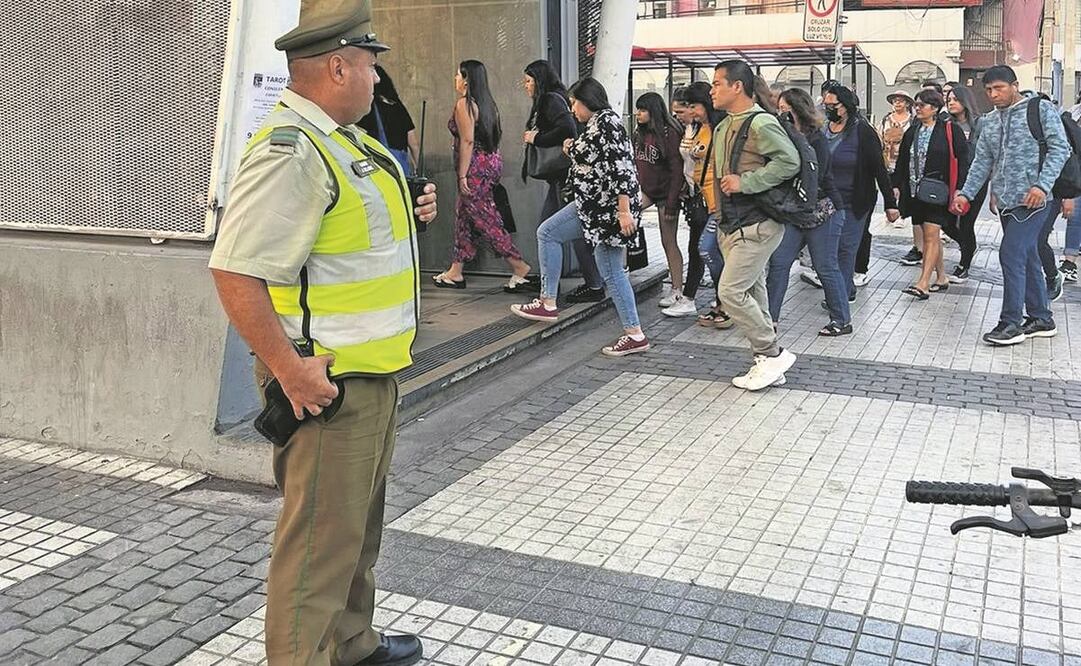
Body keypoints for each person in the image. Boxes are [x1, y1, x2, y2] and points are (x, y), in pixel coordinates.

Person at [208, 3, 437, 664]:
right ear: (338, 67)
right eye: (369, 65)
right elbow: (234, 270)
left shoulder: (347, 141)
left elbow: (349, 238)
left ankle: (351, 644)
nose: (376, 78)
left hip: (371, 376)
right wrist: (289, 370)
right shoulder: (292, 149)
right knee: (316, 552)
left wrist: (413, 206)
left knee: (354, 534)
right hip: (326, 387)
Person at [511, 77, 650, 356]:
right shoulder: (602, 123)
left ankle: (547, 301)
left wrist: (623, 211)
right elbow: (599, 158)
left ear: (588, 101)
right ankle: (635, 334)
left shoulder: (606, 123)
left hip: (602, 208)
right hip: (599, 208)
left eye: (575, 103)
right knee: (611, 270)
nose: (572, 109)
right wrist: (572, 147)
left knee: (547, 233)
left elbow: (622, 168)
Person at [952, 65, 1069, 345]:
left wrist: (1042, 186)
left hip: (1035, 200)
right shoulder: (989, 122)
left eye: (999, 88)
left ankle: (1011, 323)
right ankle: (1041, 317)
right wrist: (966, 194)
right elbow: (982, 162)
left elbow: (1060, 149)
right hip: (1007, 202)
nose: (993, 94)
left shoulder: (1039, 109)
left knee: (1011, 254)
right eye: (988, 90)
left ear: (1014, 85)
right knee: (1027, 256)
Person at [710, 60, 800, 390]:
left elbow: (789, 162)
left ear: (737, 87)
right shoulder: (724, 125)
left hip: (757, 224)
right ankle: (767, 363)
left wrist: (746, 182)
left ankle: (772, 354)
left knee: (730, 292)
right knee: (751, 291)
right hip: (732, 225)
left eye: (717, 83)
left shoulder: (761, 122)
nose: (712, 90)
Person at [434, 60, 531, 290]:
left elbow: (467, 141)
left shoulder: (464, 104)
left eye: (458, 75)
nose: (455, 79)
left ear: (467, 80)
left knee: (485, 218)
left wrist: (462, 175)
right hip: (489, 164)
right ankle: (455, 271)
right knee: (464, 217)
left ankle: (519, 266)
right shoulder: (488, 104)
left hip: (474, 168)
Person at [766, 88, 851, 336]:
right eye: (779, 110)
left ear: (798, 110)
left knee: (825, 266)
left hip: (823, 210)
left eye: (785, 110)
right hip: (795, 213)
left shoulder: (816, 139)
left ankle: (841, 320)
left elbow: (816, 175)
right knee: (779, 262)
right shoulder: (781, 138)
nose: (781, 115)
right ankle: (769, 320)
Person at [521, 59, 602, 300]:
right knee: (547, 229)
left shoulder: (550, 100)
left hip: (564, 177)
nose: (526, 86)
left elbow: (567, 128)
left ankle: (592, 285)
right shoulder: (552, 99)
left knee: (567, 231)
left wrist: (537, 138)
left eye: (529, 81)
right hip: (560, 178)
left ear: (539, 81)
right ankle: (551, 286)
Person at [822, 86, 900, 299]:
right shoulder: (823, 129)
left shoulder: (862, 131)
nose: (828, 109)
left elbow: (878, 168)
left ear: (846, 106)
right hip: (827, 201)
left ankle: (841, 295)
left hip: (854, 200)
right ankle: (843, 289)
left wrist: (890, 203)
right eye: (826, 105)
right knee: (830, 249)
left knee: (846, 249)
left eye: (833, 105)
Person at [892, 89, 969, 298]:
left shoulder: (950, 130)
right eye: (915, 105)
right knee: (929, 235)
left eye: (922, 105)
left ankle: (923, 283)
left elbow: (963, 161)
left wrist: (960, 189)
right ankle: (941, 277)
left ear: (934, 108)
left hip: (938, 191)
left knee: (931, 235)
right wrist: (896, 185)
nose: (917, 108)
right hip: (915, 193)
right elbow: (902, 162)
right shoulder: (912, 131)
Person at [679, 81, 733, 324]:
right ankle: (724, 301)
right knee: (709, 249)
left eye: (695, 106)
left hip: (720, 201)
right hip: (703, 199)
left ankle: (727, 300)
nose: (692, 111)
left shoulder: (722, 128)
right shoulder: (699, 128)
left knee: (706, 248)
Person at [633, 92, 686, 311]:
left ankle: (677, 289)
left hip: (666, 193)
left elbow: (676, 170)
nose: (638, 114)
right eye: (637, 109)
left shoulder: (669, 133)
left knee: (668, 241)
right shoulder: (639, 133)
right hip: (647, 190)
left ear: (653, 111)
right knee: (627, 215)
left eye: (643, 110)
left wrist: (672, 203)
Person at [944, 86, 988, 282]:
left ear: (965, 101)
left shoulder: (980, 124)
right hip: (951, 180)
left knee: (966, 223)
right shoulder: (946, 124)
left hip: (975, 181)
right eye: (949, 100)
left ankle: (964, 264)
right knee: (946, 222)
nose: (951, 103)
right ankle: (968, 246)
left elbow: (986, 155)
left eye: (955, 99)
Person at [357, 64, 419, 176]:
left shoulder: (365, 109)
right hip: (401, 165)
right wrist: (417, 168)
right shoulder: (398, 106)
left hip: (377, 166)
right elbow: (413, 144)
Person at [880, 91, 914, 236]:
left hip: (905, 157)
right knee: (888, 184)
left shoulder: (912, 120)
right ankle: (889, 210)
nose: (897, 103)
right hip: (888, 157)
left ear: (907, 103)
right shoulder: (886, 119)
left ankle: (902, 214)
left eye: (900, 100)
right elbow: (880, 135)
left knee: (903, 185)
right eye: (895, 101)